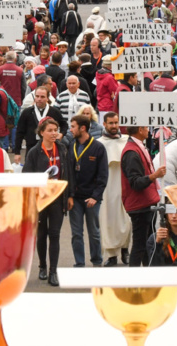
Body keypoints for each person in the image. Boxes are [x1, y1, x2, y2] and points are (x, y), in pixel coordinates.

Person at [22, 118, 72, 287]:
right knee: (41, 234)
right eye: (50, 130)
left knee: (55, 234)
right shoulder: (34, 152)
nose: (53, 133)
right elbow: (26, 176)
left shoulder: (63, 149)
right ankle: (42, 266)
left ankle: (53, 271)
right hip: (40, 199)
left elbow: (68, 173)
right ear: (41, 132)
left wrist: (69, 195)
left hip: (58, 198)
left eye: (55, 130)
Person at [121, 125, 166, 267]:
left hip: (144, 203)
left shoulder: (137, 148)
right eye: (146, 127)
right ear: (140, 130)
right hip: (139, 205)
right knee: (140, 246)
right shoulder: (131, 152)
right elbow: (135, 182)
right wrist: (155, 176)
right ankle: (132, 282)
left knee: (146, 244)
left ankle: (148, 275)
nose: (149, 130)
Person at [67, 114, 108, 269]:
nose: (70, 130)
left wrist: (95, 197)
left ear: (82, 128)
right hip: (75, 198)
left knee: (94, 232)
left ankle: (97, 262)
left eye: (73, 127)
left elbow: (103, 176)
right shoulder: (71, 145)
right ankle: (79, 263)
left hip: (91, 198)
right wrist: (69, 196)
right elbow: (68, 173)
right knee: (76, 233)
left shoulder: (98, 148)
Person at [97, 112, 130, 267]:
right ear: (104, 124)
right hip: (107, 186)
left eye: (116, 122)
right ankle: (111, 255)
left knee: (126, 218)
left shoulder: (126, 141)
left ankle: (125, 249)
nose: (114, 126)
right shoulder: (99, 143)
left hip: (125, 184)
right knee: (108, 219)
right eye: (110, 123)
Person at [14, 86, 64, 156]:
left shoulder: (54, 111)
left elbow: (64, 124)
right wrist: (17, 152)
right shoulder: (27, 112)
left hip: (50, 148)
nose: (39, 99)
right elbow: (19, 132)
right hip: (31, 147)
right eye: (37, 96)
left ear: (47, 98)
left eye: (42, 97)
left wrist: (61, 134)